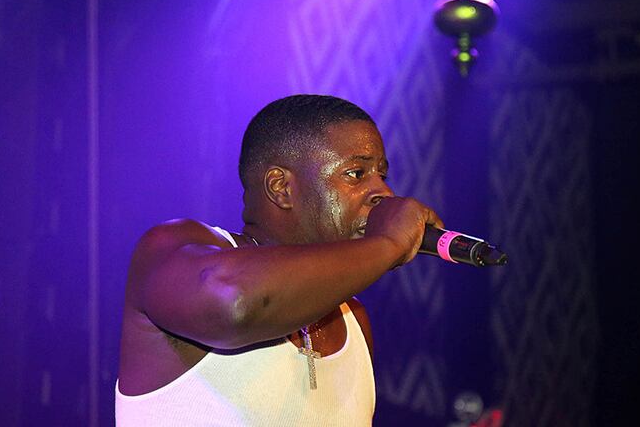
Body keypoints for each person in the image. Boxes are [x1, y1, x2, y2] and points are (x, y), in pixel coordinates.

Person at [115, 94, 443, 425]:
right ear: (281, 187)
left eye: (382, 174)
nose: (384, 192)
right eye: (357, 173)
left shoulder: (353, 319)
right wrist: (389, 244)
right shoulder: (168, 247)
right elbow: (236, 304)